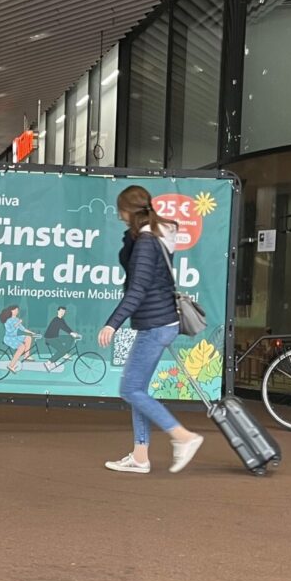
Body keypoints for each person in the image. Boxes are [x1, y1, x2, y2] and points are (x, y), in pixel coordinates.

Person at [97, 185, 203, 474]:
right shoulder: (157, 235)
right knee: (137, 389)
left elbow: (138, 289)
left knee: (130, 388)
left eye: (121, 211)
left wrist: (112, 323)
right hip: (161, 321)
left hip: (155, 325)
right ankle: (140, 456)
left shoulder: (146, 241)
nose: (119, 217)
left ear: (127, 211)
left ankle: (183, 437)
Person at [42, 305, 80, 372]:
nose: (62, 313)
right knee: (62, 350)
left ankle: (65, 354)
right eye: (61, 311)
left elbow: (66, 327)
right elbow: (63, 327)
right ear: (58, 311)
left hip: (55, 337)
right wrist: (71, 333)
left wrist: (72, 333)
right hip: (50, 338)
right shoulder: (56, 319)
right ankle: (48, 362)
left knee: (70, 338)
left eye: (64, 312)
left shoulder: (61, 319)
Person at [0, 305, 35, 372]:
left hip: (16, 337)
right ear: (11, 311)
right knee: (22, 347)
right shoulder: (8, 321)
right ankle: (11, 365)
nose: (17, 311)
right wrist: (18, 323)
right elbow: (10, 330)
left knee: (28, 337)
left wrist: (32, 333)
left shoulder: (17, 319)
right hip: (10, 338)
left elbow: (23, 329)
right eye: (15, 310)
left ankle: (26, 356)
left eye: (17, 310)